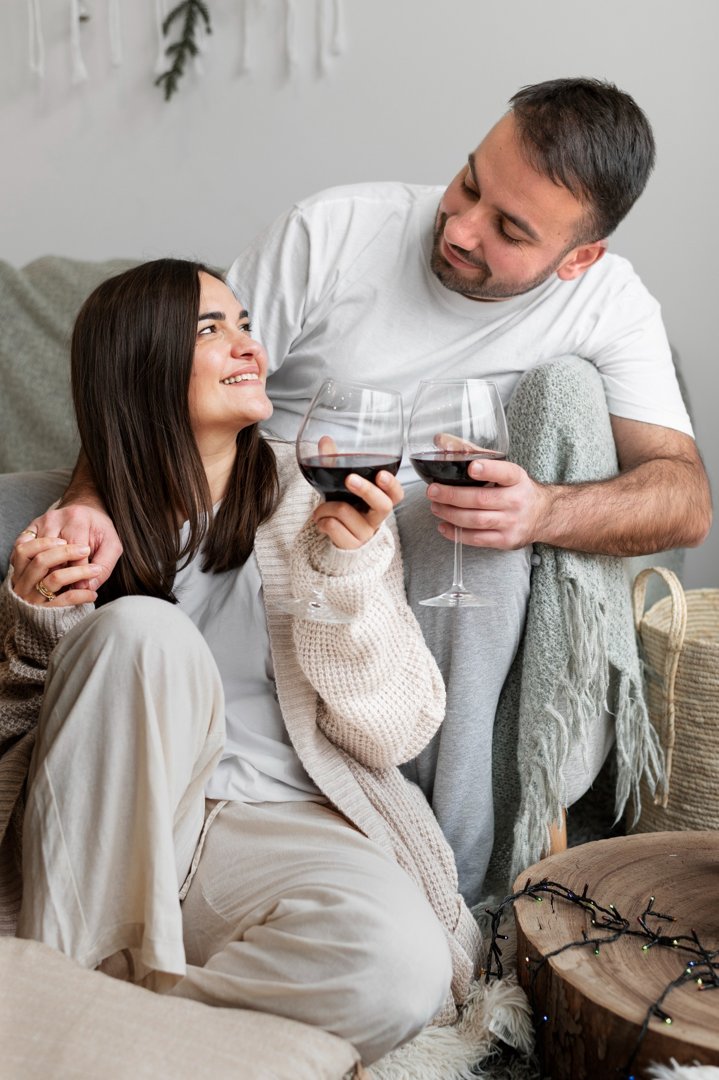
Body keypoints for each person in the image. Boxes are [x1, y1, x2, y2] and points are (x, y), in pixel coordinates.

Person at [23, 78, 712, 905]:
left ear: (577, 259)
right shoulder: (335, 230)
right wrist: (92, 497)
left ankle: (455, 889)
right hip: (239, 495)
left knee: (483, 552)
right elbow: (176, 371)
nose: (458, 227)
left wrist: (543, 510)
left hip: (391, 547)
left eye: (507, 229)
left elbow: (682, 499)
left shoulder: (611, 307)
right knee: (17, 517)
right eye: (468, 182)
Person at [0, 259, 483, 1064]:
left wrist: (346, 578)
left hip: (280, 832)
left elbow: (395, 731)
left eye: (246, 324)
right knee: (142, 634)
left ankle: (85, 1020)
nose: (249, 346)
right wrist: (32, 627)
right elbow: (18, 744)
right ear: (140, 361)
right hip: (120, 834)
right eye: (209, 328)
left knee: (398, 968)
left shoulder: (323, 505)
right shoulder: (66, 535)